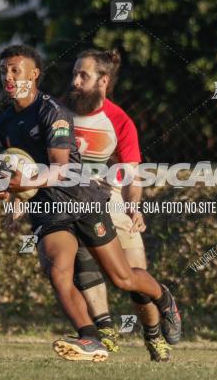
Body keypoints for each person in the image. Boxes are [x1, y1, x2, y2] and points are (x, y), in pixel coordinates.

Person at [0, 44, 181, 362]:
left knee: (122, 278)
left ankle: (164, 298)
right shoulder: (4, 122)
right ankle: (90, 338)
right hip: (49, 210)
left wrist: (25, 182)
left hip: (83, 201)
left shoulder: (53, 112)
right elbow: (14, 166)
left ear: (34, 74)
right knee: (58, 272)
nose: (8, 77)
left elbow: (61, 168)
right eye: (3, 70)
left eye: (15, 70)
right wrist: (7, 194)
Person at [65, 48, 174, 362]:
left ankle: (154, 337)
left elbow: (130, 175)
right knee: (81, 260)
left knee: (134, 276)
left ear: (103, 80)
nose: (75, 81)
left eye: (82, 75)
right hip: (72, 201)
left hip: (110, 198)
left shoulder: (119, 120)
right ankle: (106, 332)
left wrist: (133, 207)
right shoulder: (58, 112)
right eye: (74, 73)